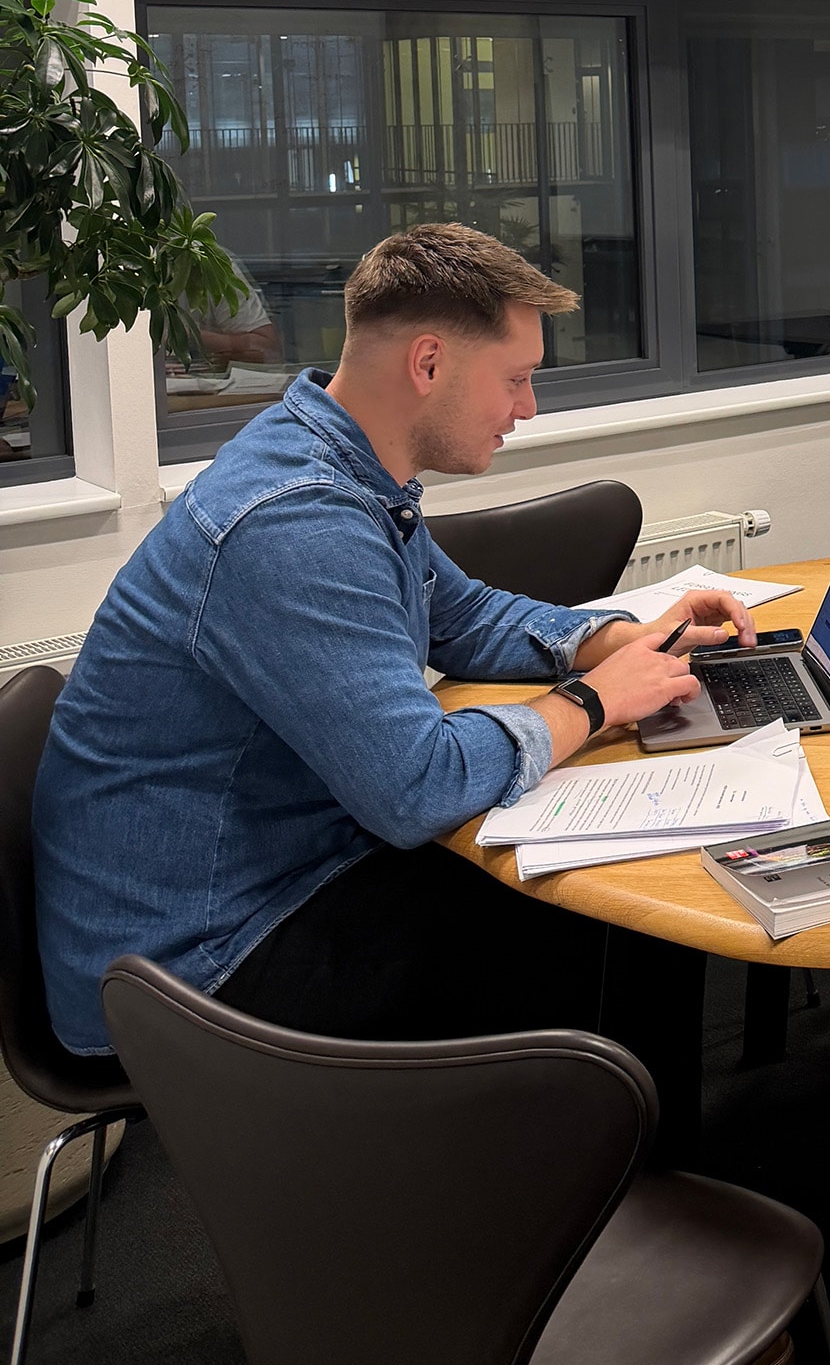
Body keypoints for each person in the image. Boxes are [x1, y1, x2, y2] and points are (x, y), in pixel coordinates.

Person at [34, 221, 757, 1059]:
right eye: (517, 380)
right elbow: (415, 785)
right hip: (189, 965)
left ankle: (592, 1151)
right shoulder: (295, 522)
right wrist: (593, 703)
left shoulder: (342, 464)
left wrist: (633, 639)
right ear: (427, 365)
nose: (527, 409)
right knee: (605, 918)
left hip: (270, 878)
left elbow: (463, 616)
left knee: (577, 892)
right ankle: (608, 1175)